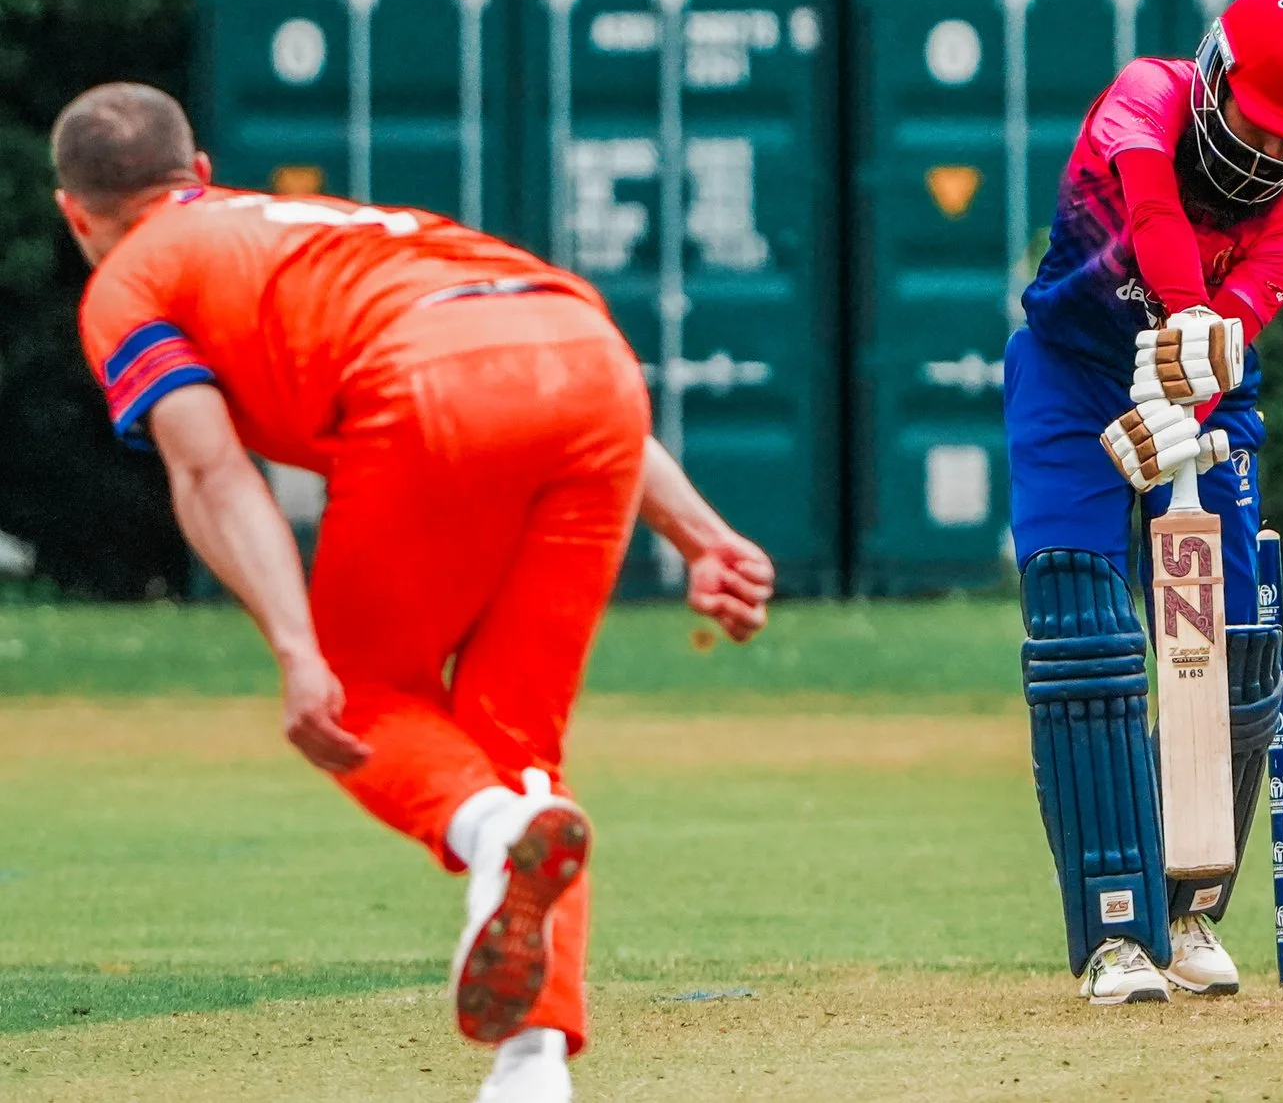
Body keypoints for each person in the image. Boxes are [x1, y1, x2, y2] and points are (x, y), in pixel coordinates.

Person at [53, 83, 774, 1102]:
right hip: (592, 355)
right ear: (200, 170)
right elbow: (533, 352)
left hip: (430, 384)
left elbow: (212, 471)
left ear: (74, 212)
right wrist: (703, 535)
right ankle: (530, 1068)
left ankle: (488, 838)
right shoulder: (328, 224)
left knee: (362, 694)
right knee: (515, 746)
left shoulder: (131, 276)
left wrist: (299, 649)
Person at [1008, 0, 1283, 1003]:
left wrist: (1190, 389)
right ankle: (1115, 927)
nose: (1272, 156)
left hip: (1205, 401)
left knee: (1233, 640)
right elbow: (1153, 207)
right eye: (1261, 124)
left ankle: (1188, 903)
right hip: (1071, 376)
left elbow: (1224, 341)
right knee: (1084, 637)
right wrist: (1186, 318)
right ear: (1214, 78)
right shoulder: (1143, 98)